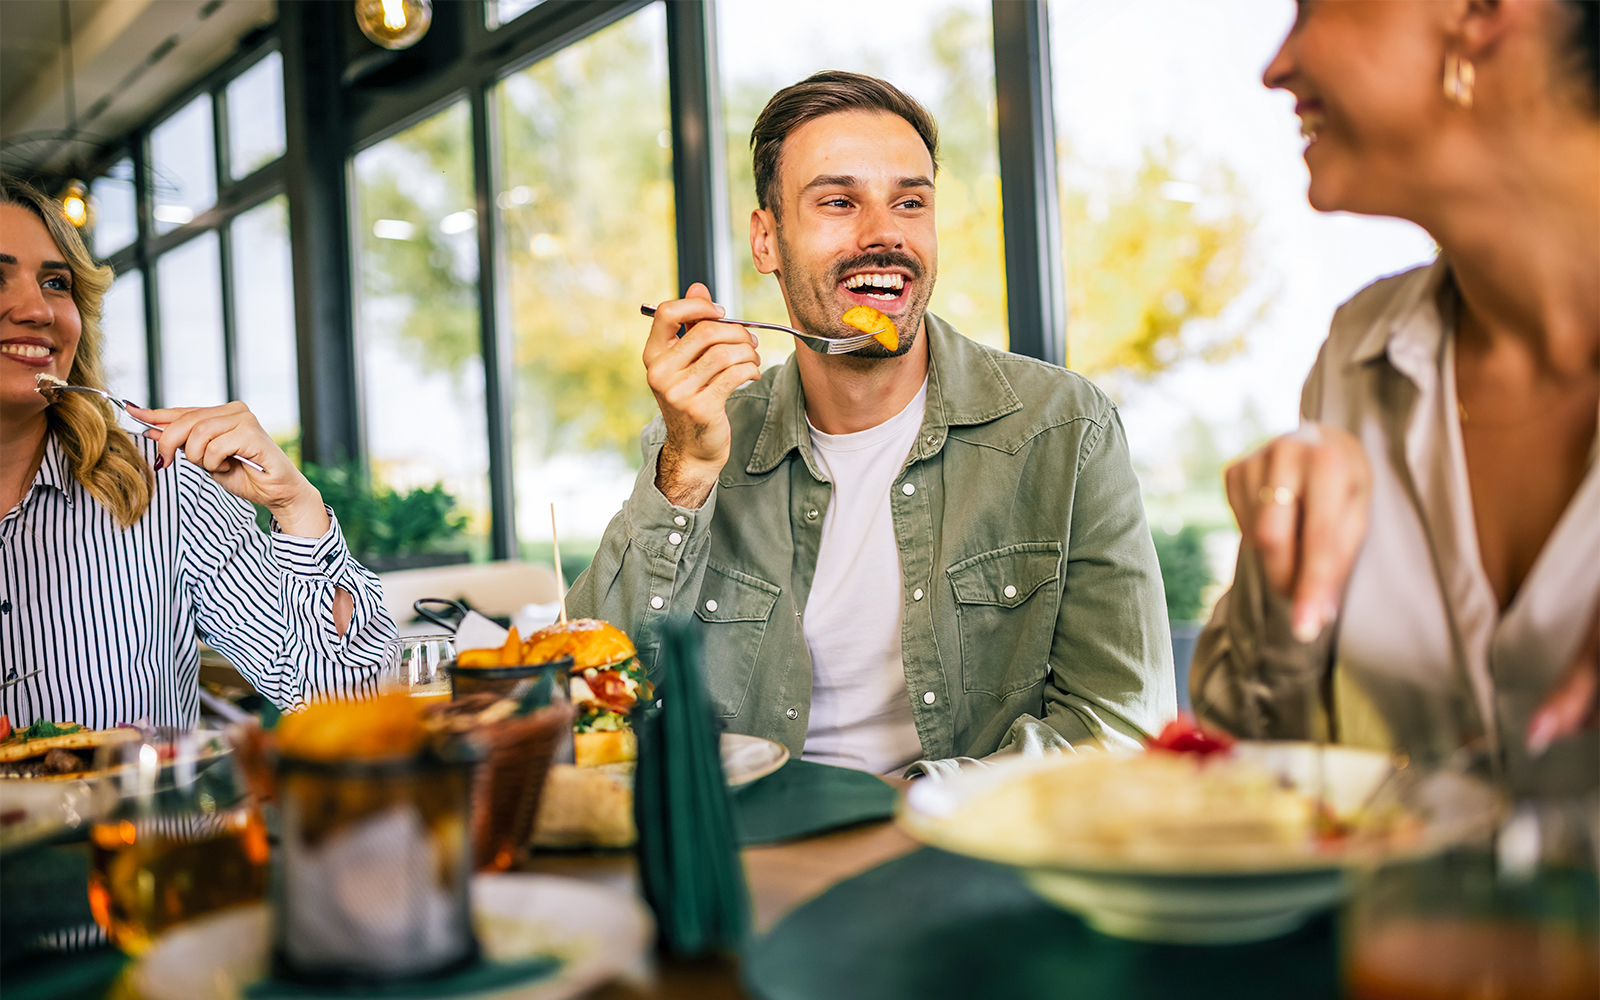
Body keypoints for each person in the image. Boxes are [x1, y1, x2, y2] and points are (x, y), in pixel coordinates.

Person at [568, 71, 1174, 777]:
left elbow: (1121, 724)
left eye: (910, 202)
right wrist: (688, 471)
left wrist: (914, 804)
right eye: (838, 201)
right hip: (753, 836)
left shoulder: (1066, 428)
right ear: (766, 241)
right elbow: (589, 700)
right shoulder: (699, 441)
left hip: (961, 835)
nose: (885, 233)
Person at [1192, 0, 1598, 791]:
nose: (1276, 68)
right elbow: (1249, 785)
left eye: (1313, 7)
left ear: (1478, 12)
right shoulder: (1358, 353)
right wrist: (1283, 600)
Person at [0, 176, 396, 729]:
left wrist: (297, 507)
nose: (38, 309)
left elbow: (355, 703)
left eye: (55, 283)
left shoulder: (161, 486)